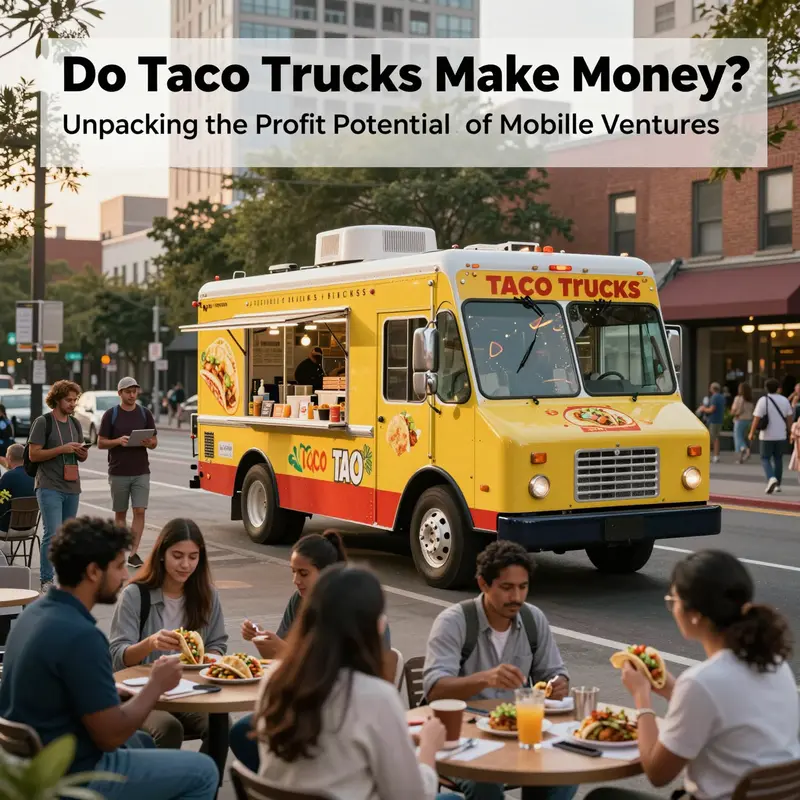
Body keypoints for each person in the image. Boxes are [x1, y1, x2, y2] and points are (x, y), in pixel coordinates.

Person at [0, 516, 219, 799]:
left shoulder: (35, 613)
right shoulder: (81, 636)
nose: (126, 576)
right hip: (73, 776)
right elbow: (110, 735)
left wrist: (108, 689)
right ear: (93, 572)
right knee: (204, 772)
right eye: (118, 567)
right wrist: (155, 685)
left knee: (141, 741)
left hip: (33, 765)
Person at [586, 550, 799, 800]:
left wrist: (642, 697)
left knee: (603, 797)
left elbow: (656, 773)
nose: (672, 608)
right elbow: (722, 709)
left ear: (695, 614)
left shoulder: (701, 682)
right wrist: (670, 689)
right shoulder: (774, 664)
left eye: (673, 600)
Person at [253, 564, 460, 800]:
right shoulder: (375, 696)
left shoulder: (274, 677)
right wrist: (428, 748)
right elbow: (410, 795)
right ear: (375, 627)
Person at [423, 540, 575, 800]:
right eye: (506, 588)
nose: (516, 597)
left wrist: (558, 683)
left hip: (518, 732)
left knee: (561, 773)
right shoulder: (454, 622)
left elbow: (554, 673)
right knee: (486, 782)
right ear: (483, 584)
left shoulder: (532, 619)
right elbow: (435, 690)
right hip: (464, 738)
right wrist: (485, 679)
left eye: (523, 587)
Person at [232, 530, 392, 771]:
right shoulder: (298, 602)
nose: (296, 580)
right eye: (293, 572)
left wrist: (282, 649)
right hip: (303, 706)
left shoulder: (357, 615)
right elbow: (280, 662)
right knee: (244, 732)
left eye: (303, 573)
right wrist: (265, 641)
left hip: (334, 710)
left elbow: (343, 675)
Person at [109, 518, 228, 750]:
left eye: (193, 557)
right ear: (162, 554)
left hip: (189, 690)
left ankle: (204, 785)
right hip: (142, 694)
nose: (185, 564)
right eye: (177, 555)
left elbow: (218, 645)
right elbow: (117, 657)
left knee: (220, 722)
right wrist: (150, 644)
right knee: (169, 729)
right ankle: (163, 784)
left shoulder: (209, 596)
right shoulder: (135, 595)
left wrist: (207, 657)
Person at [28, 380, 88, 591]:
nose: (72, 404)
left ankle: (65, 578)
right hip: (49, 485)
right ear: (57, 399)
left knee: (67, 537)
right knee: (52, 533)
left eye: (75, 400)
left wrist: (82, 453)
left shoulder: (75, 424)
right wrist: (61, 449)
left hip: (72, 486)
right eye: (68, 400)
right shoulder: (44, 422)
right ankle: (46, 580)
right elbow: (33, 454)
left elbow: (81, 456)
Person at [98, 377, 158, 568]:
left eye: (134, 391)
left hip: (141, 470)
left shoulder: (144, 413)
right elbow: (101, 442)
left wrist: (150, 443)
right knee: (120, 515)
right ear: (120, 393)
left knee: (140, 510)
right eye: (128, 392)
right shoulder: (111, 415)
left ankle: (134, 553)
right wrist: (118, 441)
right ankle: (120, 552)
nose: (132, 395)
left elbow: (155, 441)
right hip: (118, 471)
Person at [748, 378, 794, 495]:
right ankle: (777, 484)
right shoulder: (784, 400)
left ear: (766, 388)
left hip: (766, 436)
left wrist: (751, 433)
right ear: (778, 388)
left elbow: (756, 418)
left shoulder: (763, 400)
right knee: (778, 459)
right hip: (781, 435)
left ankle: (771, 478)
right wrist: (790, 432)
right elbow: (789, 418)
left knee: (765, 458)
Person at [0, 443, 35, 535]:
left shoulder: (8, 477)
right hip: (30, 528)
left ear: (10, 458)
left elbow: (1, 503)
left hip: (8, 528)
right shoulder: (34, 476)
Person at [698, 382, 726, 463]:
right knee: (716, 438)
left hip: (713, 420)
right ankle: (716, 455)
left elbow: (712, 409)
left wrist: (703, 409)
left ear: (713, 389)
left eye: (710, 387)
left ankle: (714, 456)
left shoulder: (714, 397)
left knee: (713, 438)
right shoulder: (721, 397)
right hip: (719, 419)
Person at [731, 382, 754, 464]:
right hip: (748, 420)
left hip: (739, 419)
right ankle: (740, 459)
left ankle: (745, 450)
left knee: (737, 437)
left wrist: (733, 413)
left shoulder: (738, 398)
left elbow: (734, 410)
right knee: (743, 437)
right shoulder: (750, 400)